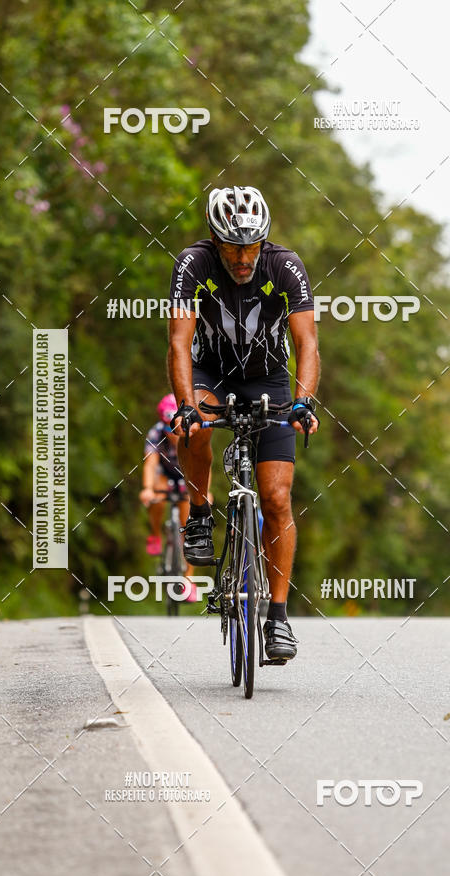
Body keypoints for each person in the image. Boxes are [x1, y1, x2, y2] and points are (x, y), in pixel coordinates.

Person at [167, 185, 320, 661]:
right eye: (232, 247)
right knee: (189, 427)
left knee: (276, 498)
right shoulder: (193, 264)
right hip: (210, 371)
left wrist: (303, 401)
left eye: (251, 246)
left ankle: (277, 617)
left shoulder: (284, 265)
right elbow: (178, 343)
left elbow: (308, 344)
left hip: (270, 379)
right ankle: (198, 511)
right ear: (215, 240)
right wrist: (188, 405)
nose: (242, 257)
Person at [139, 394, 198, 602]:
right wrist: (147, 489)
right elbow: (150, 464)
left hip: (188, 476)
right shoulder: (156, 433)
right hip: (165, 473)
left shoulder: (193, 432)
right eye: (168, 428)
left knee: (190, 524)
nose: (172, 434)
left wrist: (203, 493)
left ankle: (189, 580)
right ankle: (155, 533)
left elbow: (202, 468)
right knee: (156, 491)